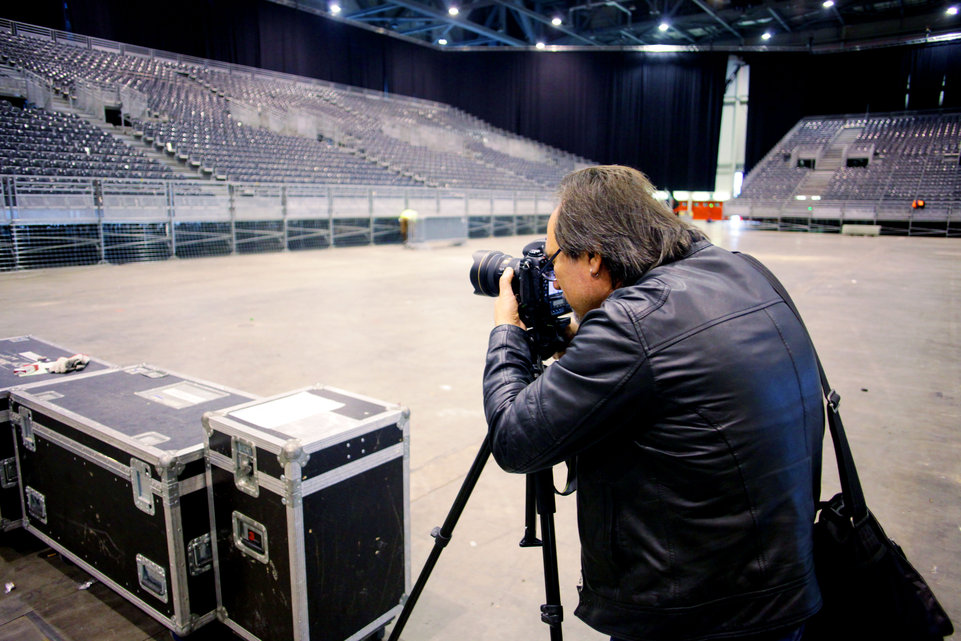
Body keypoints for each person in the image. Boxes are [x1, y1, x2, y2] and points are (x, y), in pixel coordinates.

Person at [482, 165, 823, 641]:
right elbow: (675, 362)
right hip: (781, 584)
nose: (551, 273)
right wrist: (581, 342)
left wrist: (507, 334)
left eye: (553, 257)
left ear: (595, 258)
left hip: (698, 616)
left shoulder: (632, 326)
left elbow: (514, 439)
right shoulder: (743, 270)